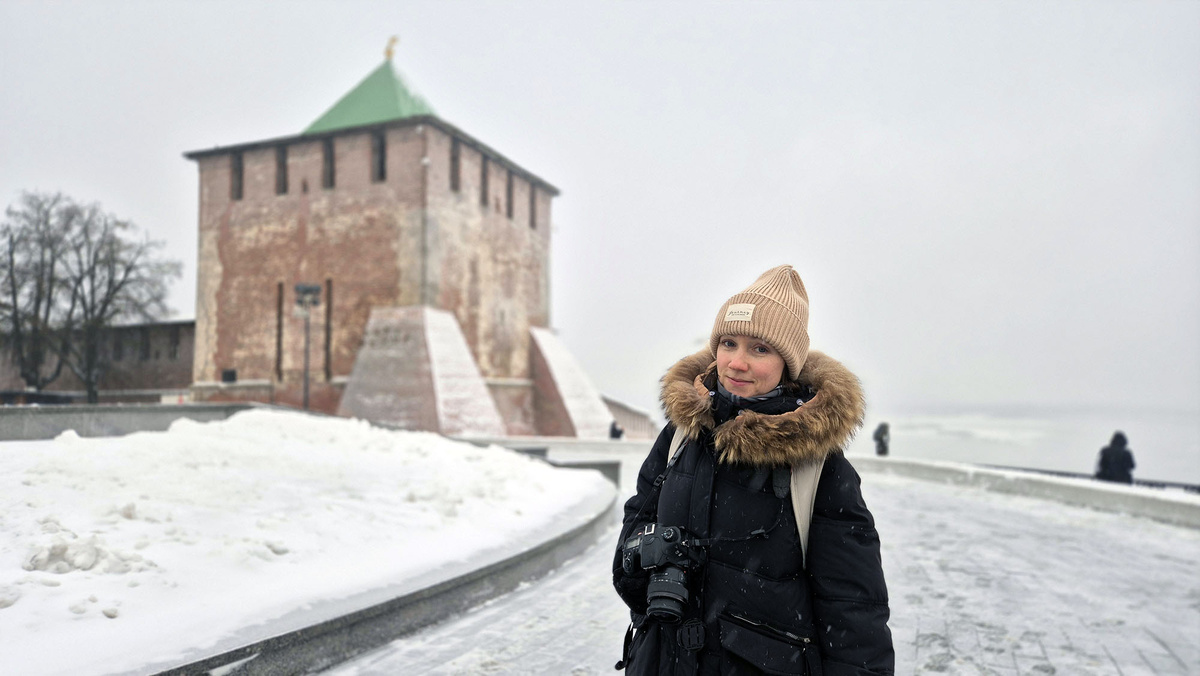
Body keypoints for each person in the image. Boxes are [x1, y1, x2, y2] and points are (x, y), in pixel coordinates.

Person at [612, 265, 894, 675]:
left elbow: (853, 608)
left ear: (787, 363)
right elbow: (635, 523)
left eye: (760, 349)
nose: (736, 363)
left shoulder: (817, 466)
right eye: (728, 343)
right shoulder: (681, 436)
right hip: (662, 661)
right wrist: (642, 562)